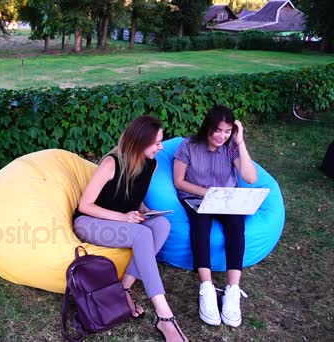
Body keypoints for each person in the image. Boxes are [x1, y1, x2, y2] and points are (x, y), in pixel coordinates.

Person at [73, 115, 187, 342]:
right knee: (143, 234)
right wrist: (123, 217)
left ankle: (123, 290)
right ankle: (164, 315)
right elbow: (84, 205)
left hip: (120, 220)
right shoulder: (111, 163)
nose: (161, 147)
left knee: (162, 224)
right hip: (90, 222)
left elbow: (135, 198)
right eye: (156, 143)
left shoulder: (151, 165)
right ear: (139, 142)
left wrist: (144, 211)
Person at [172, 105, 257, 328]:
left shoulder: (231, 147)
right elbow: (179, 181)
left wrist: (240, 142)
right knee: (200, 227)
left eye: (227, 131)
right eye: (218, 130)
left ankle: (232, 290)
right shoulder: (189, 145)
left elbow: (249, 177)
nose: (222, 136)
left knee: (236, 228)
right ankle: (207, 288)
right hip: (197, 197)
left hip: (227, 198)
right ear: (208, 127)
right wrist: (207, 193)